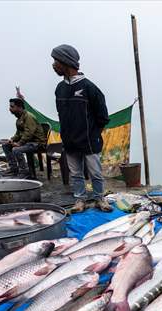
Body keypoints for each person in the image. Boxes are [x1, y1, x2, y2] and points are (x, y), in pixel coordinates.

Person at [51, 44, 113, 213]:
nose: (53, 65)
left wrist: (92, 134)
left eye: (56, 61)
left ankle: (100, 198)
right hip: (70, 141)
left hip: (89, 141)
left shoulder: (89, 88)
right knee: (76, 174)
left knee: (95, 173)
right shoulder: (60, 89)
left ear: (66, 62)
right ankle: (80, 200)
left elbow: (102, 117)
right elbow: (61, 114)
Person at [2, 98, 46, 177]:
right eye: (10, 106)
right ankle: (13, 169)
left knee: (16, 150)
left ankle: (24, 171)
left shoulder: (28, 116)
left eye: (12, 106)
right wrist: (12, 139)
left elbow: (29, 133)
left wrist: (19, 143)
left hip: (36, 143)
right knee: (6, 146)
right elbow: (18, 134)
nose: (10, 109)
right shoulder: (19, 119)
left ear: (19, 107)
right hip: (27, 142)